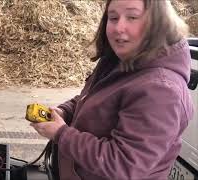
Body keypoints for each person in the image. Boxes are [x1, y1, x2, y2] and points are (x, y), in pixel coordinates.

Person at [30, 0, 194, 179]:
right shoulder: (120, 59)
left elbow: (123, 164)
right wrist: (64, 112)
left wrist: (62, 134)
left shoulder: (161, 90)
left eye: (132, 17)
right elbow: (93, 98)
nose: (118, 27)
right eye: (113, 17)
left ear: (158, 22)